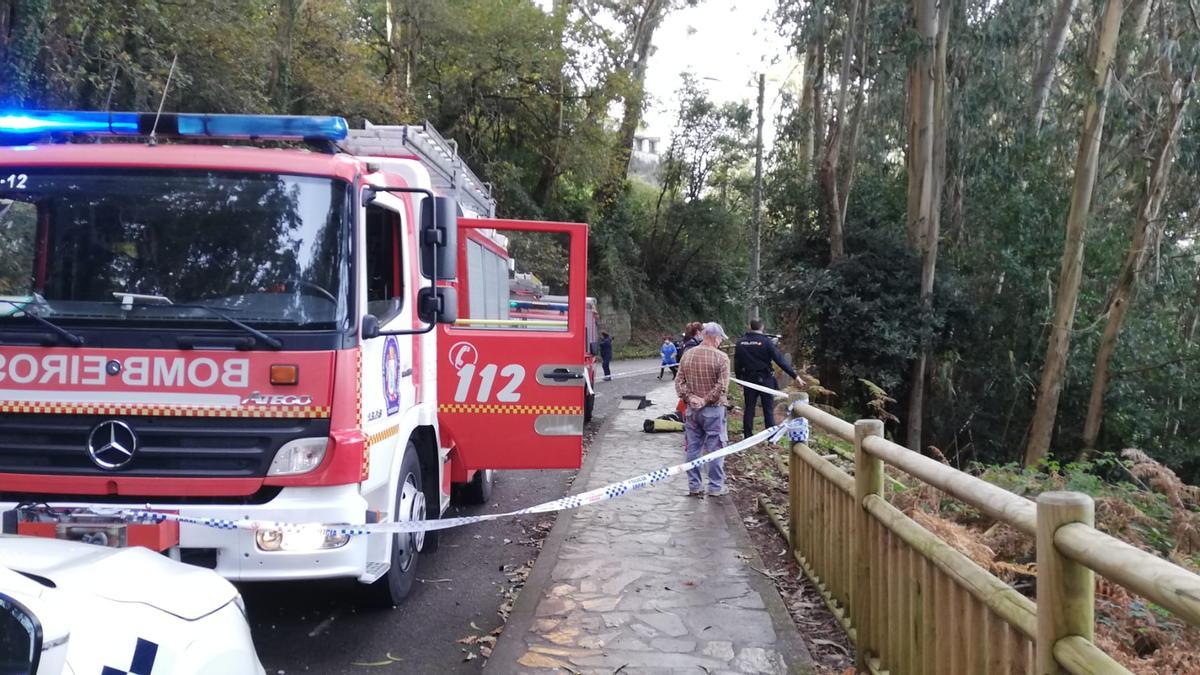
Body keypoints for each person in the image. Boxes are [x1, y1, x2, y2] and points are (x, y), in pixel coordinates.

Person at [675, 322, 731, 497]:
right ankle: (715, 487)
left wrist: (691, 398)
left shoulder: (687, 355)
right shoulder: (722, 358)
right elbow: (722, 387)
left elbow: (679, 382)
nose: (721, 342)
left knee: (693, 448)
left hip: (692, 411)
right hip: (714, 410)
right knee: (716, 448)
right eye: (721, 338)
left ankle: (694, 485)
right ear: (715, 338)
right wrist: (705, 400)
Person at [734, 318, 800, 439]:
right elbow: (780, 360)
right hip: (765, 379)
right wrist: (795, 376)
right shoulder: (766, 342)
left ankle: (747, 435)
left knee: (749, 408)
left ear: (750, 326)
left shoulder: (740, 342)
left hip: (748, 379)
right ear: (762, 327)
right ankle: (771, 436)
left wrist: (740, 379)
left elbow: (737, 363)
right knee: (768, 409)